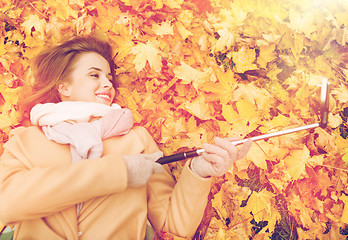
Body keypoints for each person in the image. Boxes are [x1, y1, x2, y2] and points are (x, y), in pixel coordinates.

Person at [0, 36, 252, 240]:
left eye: (109, 77)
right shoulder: (25, 141)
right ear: (64, 87)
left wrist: (199, 171)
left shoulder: (136, 139)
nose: (107, 84)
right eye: (94, 75)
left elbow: (174, 227)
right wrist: (119, 172)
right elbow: (6, 205)